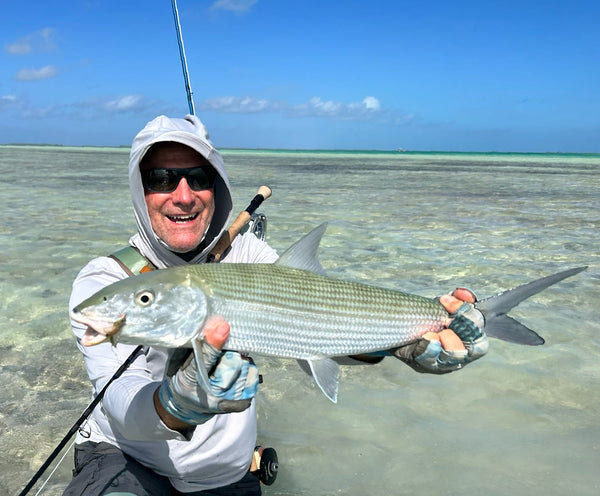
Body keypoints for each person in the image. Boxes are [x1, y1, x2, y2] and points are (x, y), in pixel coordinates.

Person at [65, 115, 488, 496]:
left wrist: (402, 342)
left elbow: (318, 324)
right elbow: (116, 400)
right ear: (140, 192)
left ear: (218, 186)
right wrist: (176, 403)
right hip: (128, 463)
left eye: (198, 177)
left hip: (223, 474)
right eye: (160, 179)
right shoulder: (105, 280)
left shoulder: (249, 253)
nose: (183, 195)